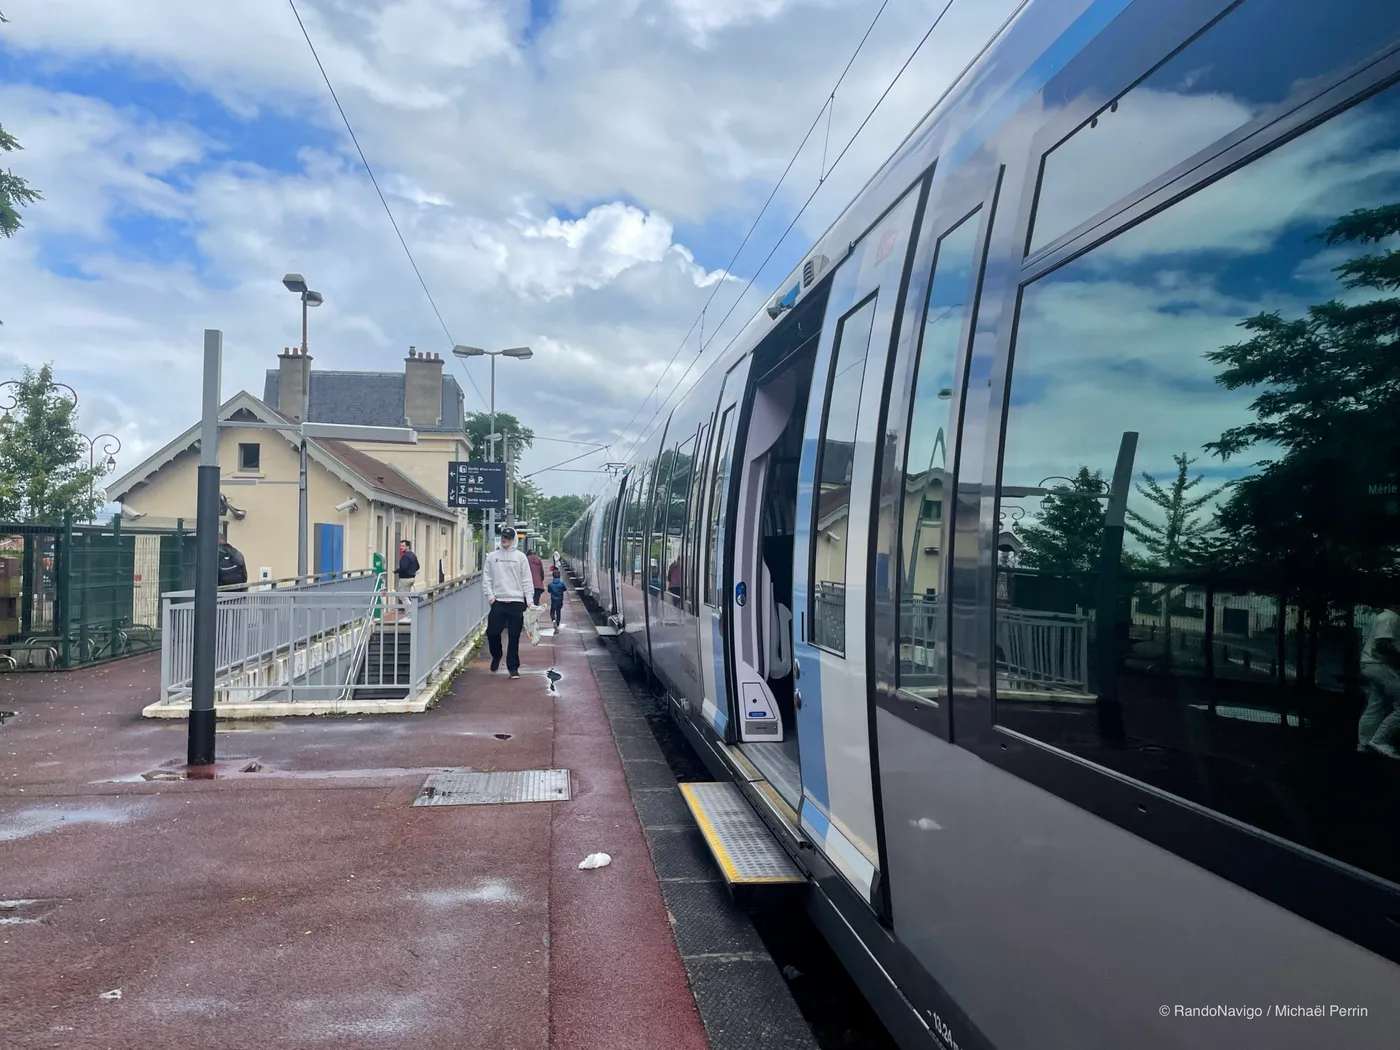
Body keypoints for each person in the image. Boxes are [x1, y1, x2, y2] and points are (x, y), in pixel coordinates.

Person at [484, 526, 533, 678]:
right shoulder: (492, 556)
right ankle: (496, 655)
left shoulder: (521, 557)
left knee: (514, 636)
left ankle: (513, 667)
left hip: (517, 601)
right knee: (492, 632)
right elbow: (487, 577)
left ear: (513, 540)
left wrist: (529, 600)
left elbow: (526, 579)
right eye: (503, 537)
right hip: (498, 600)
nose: (504, 539)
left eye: (508, 538)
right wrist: (491, 597)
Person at [1358, 603, 1400, 760]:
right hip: (1379, 665)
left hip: (1371, 664)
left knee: (1375, 705)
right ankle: (1380, 740)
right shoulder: (1389, 618)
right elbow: (1382, 644)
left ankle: (1364, 744)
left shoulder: (1382, 617)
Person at [395, 540, 420, 616]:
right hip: (412, 578)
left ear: (407, 547)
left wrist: (396, 571)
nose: (401, 547)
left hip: (405, 579)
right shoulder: (412, 555)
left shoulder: (405, 556)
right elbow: (418, 566)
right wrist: (412, 571)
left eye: (403, 546)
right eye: (400, 546)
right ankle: (410, 612)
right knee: (406, 595)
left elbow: (404, 567)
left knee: (403, 596)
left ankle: (411, 613)